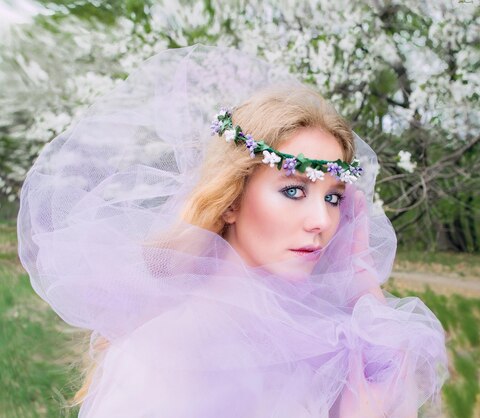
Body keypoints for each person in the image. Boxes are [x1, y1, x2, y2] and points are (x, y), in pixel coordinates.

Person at [17, 45, 448, 417]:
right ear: (231, 201)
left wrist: (361, 279)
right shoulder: (164, 356)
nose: (321, 221)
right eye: (294, 190)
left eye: (333, 198)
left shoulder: (328, 338)